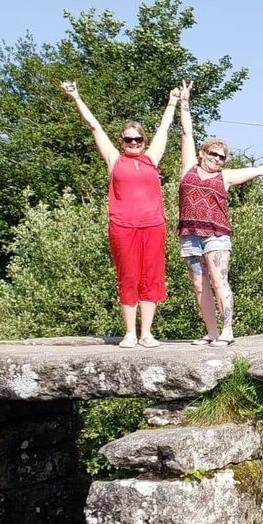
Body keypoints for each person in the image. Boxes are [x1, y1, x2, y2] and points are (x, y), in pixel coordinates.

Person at [176, 80, 263, 346]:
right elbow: (187, 133)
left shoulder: (225, 177)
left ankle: (227, 330)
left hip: (215, 235)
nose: (216, 158)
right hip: (189, 234)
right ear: (202, 153)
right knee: (200, 286)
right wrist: (184, 103)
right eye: (213, 153)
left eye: (222, 156)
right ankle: (211, 333)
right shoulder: (188, 168)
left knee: (218, 280)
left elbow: (258, 170)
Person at [62, 80, 179, 348]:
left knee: (152, 276)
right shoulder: (114, 160)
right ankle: (129, 333)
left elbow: (164, 128)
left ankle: (147, 333)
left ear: (144, 141)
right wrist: (77, 97)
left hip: (153, 226)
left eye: (138, 139)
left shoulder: (152, 159)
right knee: (128, 276)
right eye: (129, 139)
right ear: (121, 141)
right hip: (123, 227)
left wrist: (172, 101)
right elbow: (95, 126)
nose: (134, 143)